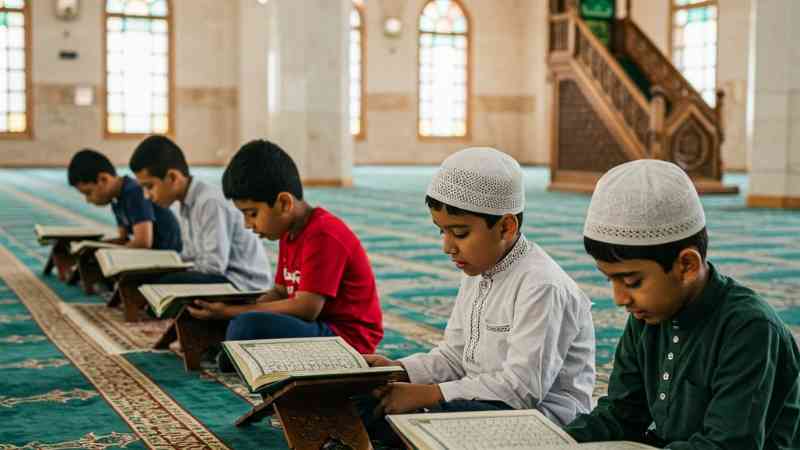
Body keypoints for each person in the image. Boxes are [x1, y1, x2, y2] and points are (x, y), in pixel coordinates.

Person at [363, 147, 596, 444]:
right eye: (442, 232)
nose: (447, 247)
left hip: (538, 418)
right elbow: (454, 357)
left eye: (460, 233)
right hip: (477, 399)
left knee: (426, 419)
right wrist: (398, 371)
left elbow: (521, 390)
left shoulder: (542, 287)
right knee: (367, 399)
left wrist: (429, 394)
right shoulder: (479, 270)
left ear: (506, 227)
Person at [564, 159, 800, 449]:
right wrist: (557, 440)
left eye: (632, 281)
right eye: (609, 280)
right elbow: (622, 414)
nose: (619, 299)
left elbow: (727, 445)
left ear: (687, 265)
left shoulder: (750, 330)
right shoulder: (647, 316)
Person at [186, 139, 384, 368]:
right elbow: (281, 291)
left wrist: (233, 312)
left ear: (283, 203)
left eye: (252, 213)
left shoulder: (323, 234)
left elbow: (306, 308)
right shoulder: (289, 233)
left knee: (248, 326)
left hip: (346, 338)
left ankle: (233, 352)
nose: (248, 224)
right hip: (316, 327)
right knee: (238, 319)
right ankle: (234, 352)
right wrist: (245, 306)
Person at [128, 135, 271, 290]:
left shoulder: (209, 202)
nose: (147, 196)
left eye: (149, 187)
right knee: (149, 277)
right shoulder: (185, 203)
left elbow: (213, 267)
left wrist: (173, 272)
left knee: (161, 284)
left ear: (172, 177)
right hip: (221, 276)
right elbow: (191, 257)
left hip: (242, 283)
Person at [67, 148, 181, 251]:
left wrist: (106, 252)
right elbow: (123, 239)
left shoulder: (134, 192)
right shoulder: (115, 200)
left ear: (103, 179)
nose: (88, 200)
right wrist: (94, 247)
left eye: (88, 193)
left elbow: (143, 243)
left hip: (167, 253)